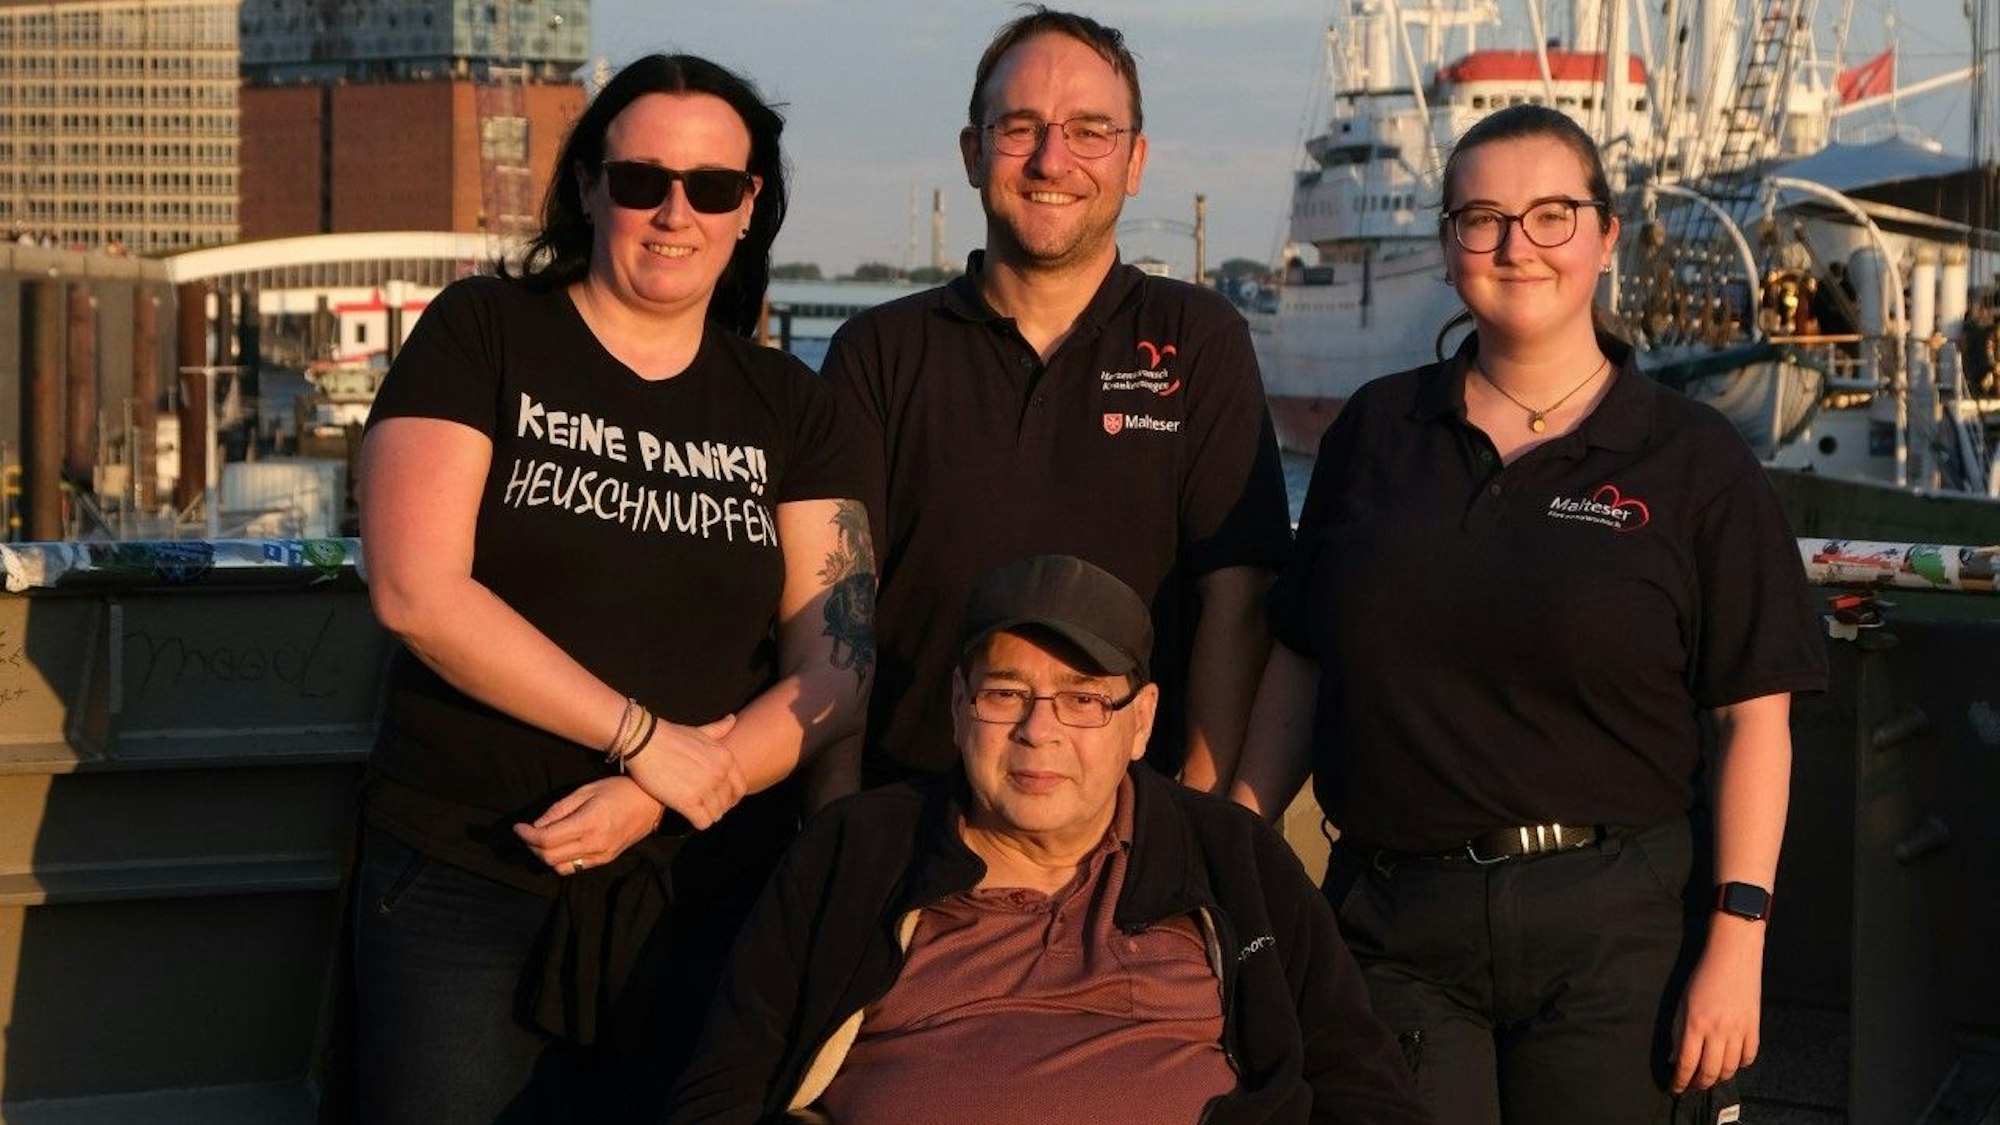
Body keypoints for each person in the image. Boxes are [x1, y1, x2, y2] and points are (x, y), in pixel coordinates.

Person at [1229, 104, 1827, 1124]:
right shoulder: (1376, 433)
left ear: (1602, 235)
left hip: (1612, 930)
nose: (1516, 246)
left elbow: (1750, 719)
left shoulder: (1691, 463)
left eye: (1550, 214)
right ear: (1448, 244)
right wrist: (1231, 843)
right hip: (1393, 928)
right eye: (1481, 218)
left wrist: (1737, 938)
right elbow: (1300, 658)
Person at [352, 54, 872, 1124]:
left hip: (700, 893)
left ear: (748, 209)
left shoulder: (790, 404)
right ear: (588, 186)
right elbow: (415, 589)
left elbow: (839, 663)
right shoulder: (483, 333)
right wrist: (643, 739)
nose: (673, 212)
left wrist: (676, 783)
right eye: (641, 181)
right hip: (469, 879)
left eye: (711, 188)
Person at [666, 554, 1428, 1125]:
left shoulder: (1234, 858)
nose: (1040, 731)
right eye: (1006, 694)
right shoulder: (858, 852)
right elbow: (722, 1087)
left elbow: (1362, 1086)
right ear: (960, 706)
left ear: (1142, 720)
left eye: (1083, 700)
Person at [822, 6, 1291, 796]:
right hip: (908, 825)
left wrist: (1202, 834)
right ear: (973, 153)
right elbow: (834, 619)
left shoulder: (1199, 339)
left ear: (1134, 160)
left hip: (1127, 842)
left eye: (1090, 131)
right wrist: (836, 836)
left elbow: (1236, 604)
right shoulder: (878, 354)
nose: (1051, 159)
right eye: (1020, 128)